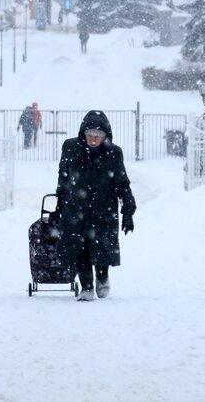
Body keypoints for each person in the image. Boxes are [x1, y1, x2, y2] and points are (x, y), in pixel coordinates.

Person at [54, 110, 136, 301]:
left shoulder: (113, 153)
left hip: (103, 208)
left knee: (101, 246)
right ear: (83, 133)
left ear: (105, 136)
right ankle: (87, 287)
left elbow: (122, 183)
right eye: (90, 135)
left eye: (98, 136)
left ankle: (102, 277)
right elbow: (63, 176)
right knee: (79, 247)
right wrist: (60, 203)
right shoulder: (71, 148)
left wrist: (128, 212)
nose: (93, 139)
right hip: (76, 208)